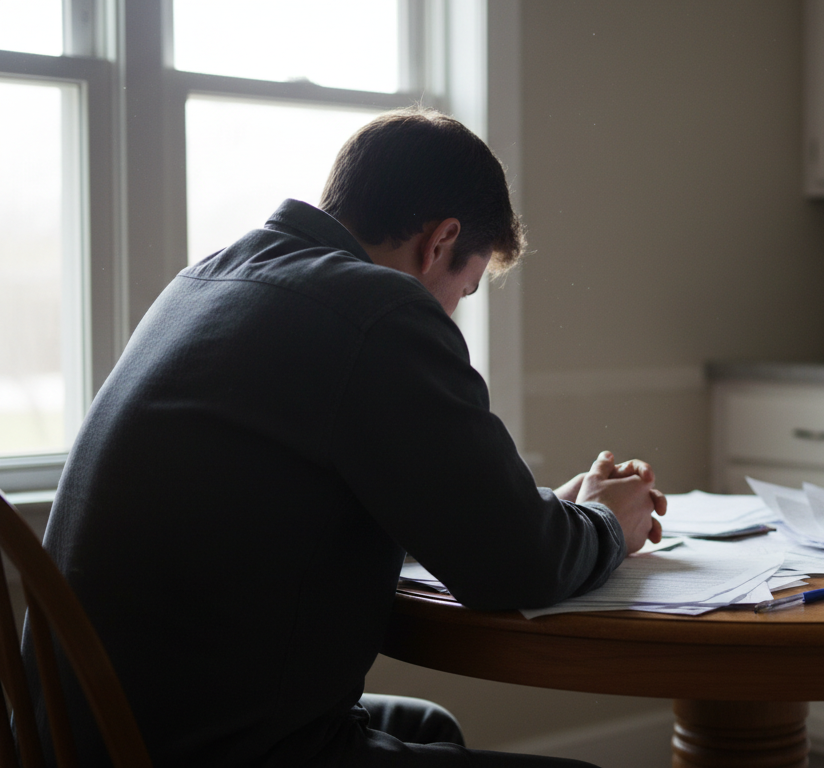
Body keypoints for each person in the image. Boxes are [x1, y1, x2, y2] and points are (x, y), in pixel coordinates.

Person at [24, 107, 666, 767]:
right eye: (464, 289)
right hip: (215, 752)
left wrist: (550, 516)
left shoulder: (211, 280)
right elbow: (514, 568)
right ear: (440, 241)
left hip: (91, 735)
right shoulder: (379, 311)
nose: (451, 311)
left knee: (432, 726)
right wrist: (607, 524)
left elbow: (434, 514)